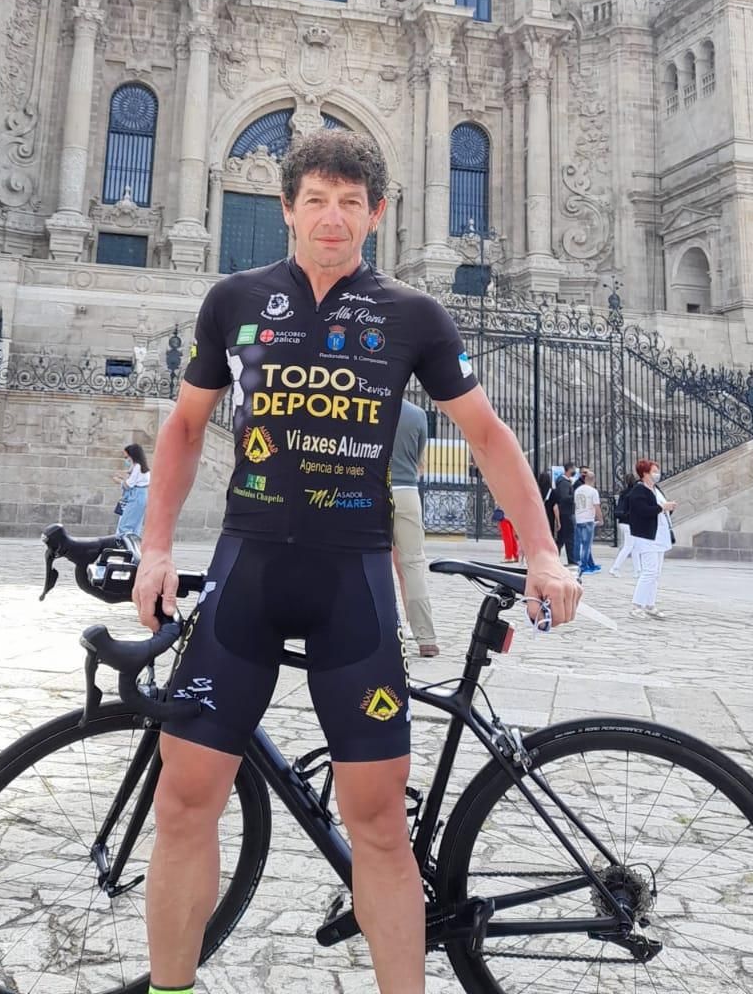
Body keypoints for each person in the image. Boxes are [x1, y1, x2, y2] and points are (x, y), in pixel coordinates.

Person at [132, 130, 581, 994]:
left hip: (354, 585)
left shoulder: (413, 316)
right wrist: (155, 548)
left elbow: (487, 437)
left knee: (375, 826)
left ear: (377, 213)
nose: (331, 218)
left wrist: (547, 554)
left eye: (350, 202)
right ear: (286, 209)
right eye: (314, 200)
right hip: (247, 574)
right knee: (184, 802)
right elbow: (186, 427)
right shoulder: (233, 301)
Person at [390, 397, 439, 657]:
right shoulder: (418, 414)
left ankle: (382, 627)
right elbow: (418, 459)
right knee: (413, 564)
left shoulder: (372, 406)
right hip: (407, 491)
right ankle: (426, 637)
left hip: (373, 490)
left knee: (366, 562)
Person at [627, 457, 675, 619]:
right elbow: (643, 510)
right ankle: (636, 605)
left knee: (656, 573)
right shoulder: (639, 491)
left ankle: (649, 603)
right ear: (645, 473)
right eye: (654, 471)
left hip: (659, 535)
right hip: (647, 536)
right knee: (649, 571)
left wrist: (668, 507)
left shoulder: (656, 489)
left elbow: (659, 507)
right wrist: (662, 507)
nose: (657, 474)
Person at [113, 442, 150, 541]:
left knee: (125, 526)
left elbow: (129, 485)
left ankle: (127, 549)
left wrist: (119, 481)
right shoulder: (139, 466)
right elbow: (130, 475)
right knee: (135, 527)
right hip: (140, 496)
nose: (126, 459)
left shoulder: (137, 466)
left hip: (136, 496)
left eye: (126, 457)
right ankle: (133, 551)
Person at [573, 467, 603, 573]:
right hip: (588, 519)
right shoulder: (593, 491)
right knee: (586, 544)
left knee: (579, 543)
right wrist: (600, 519)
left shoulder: (577, 490)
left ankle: (585, 563)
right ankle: (584, 565)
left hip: (578, 518)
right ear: (593, 479)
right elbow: (597, 506)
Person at [610, 469, 637, 577]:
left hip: (622, 521)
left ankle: (638, 571)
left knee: (634, 547)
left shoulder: (623, 493)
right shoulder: (634, 493)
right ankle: (615, 567)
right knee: (628, 547)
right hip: (629, 522)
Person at [553, 465, 581, 565]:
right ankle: (571, 560)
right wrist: (574, 496)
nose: (574, 471)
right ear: (569, 470)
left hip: (565, 512)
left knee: (562, 538)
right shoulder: (564, 483)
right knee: (569, 538)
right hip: (566, 513)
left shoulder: (564, 481)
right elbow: (564, 497)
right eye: (573, 469)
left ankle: (555, 558)